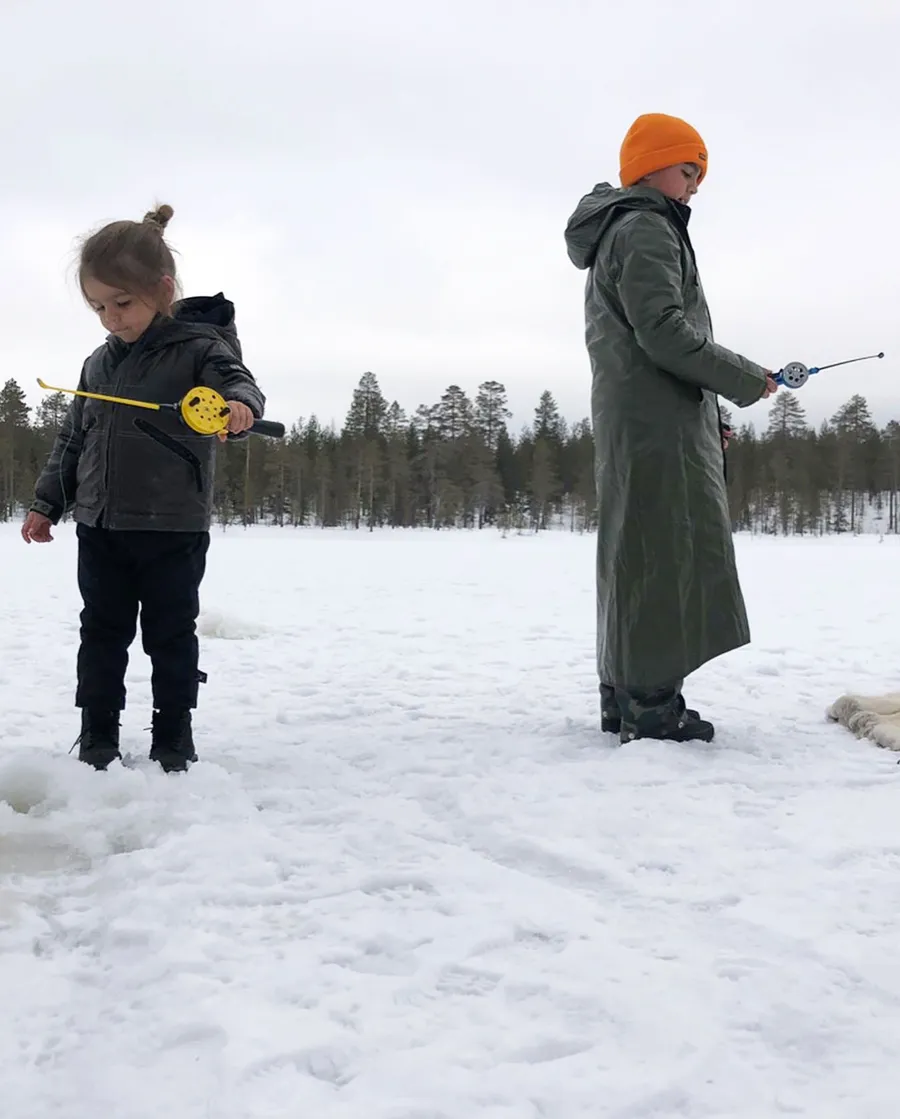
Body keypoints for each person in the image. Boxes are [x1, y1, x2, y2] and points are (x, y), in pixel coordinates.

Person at [22, 204, 266, 772]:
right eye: (98, 306)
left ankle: (173, 737)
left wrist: (239, 408)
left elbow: (240, 384)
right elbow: (72, 439)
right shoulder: (98, 365)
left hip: (171, 527)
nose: (109, 318)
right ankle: (98, 733)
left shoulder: (201, 349)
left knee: (170, 635)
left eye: (121, 303)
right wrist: (45, 503)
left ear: (161, 289)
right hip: (101, 526)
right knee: (101, 634)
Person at [563, 113, 777, 745]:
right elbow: (663, 333)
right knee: (659, 554)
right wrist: (744, 378)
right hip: (654, 426)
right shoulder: (645, 228)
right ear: (651, 165)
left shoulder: (622, 231)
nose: (694, 186)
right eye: (688, 170)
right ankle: (652, 710)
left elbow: (644, 344)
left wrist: (706, 412)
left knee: (638, 552)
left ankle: (625, 699)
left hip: (647, 419)